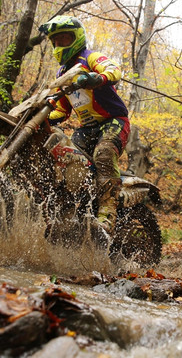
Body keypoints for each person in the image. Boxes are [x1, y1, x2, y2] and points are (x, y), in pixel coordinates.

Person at [39, 15, 130, 233]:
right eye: (56, 41)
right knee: (67, 160)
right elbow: (62, 109)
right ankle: (68, 215)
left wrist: (96, 78)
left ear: (77, 38)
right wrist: (41, 118)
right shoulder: (62, 73)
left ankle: (106, 217)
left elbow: (113, 69)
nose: (60, 45)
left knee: (104, 154)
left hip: (113, 121)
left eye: (65, 39)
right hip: (86, 128)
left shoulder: (90, 57)